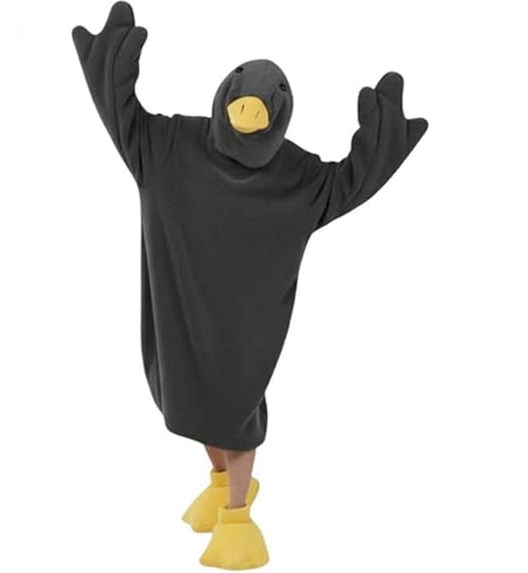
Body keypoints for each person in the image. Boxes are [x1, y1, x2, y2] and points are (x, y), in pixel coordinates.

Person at [72, 2, 428, 569]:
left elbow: (351, 181)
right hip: (185, 318)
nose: (248, 109)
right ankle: (221, 489)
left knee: (235, 417)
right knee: (189, 404)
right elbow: (125, 120)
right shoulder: (174, 148)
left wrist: (380, 140)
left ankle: (238, 518)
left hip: (243, 335)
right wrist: (111, 65)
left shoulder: (295, 178)